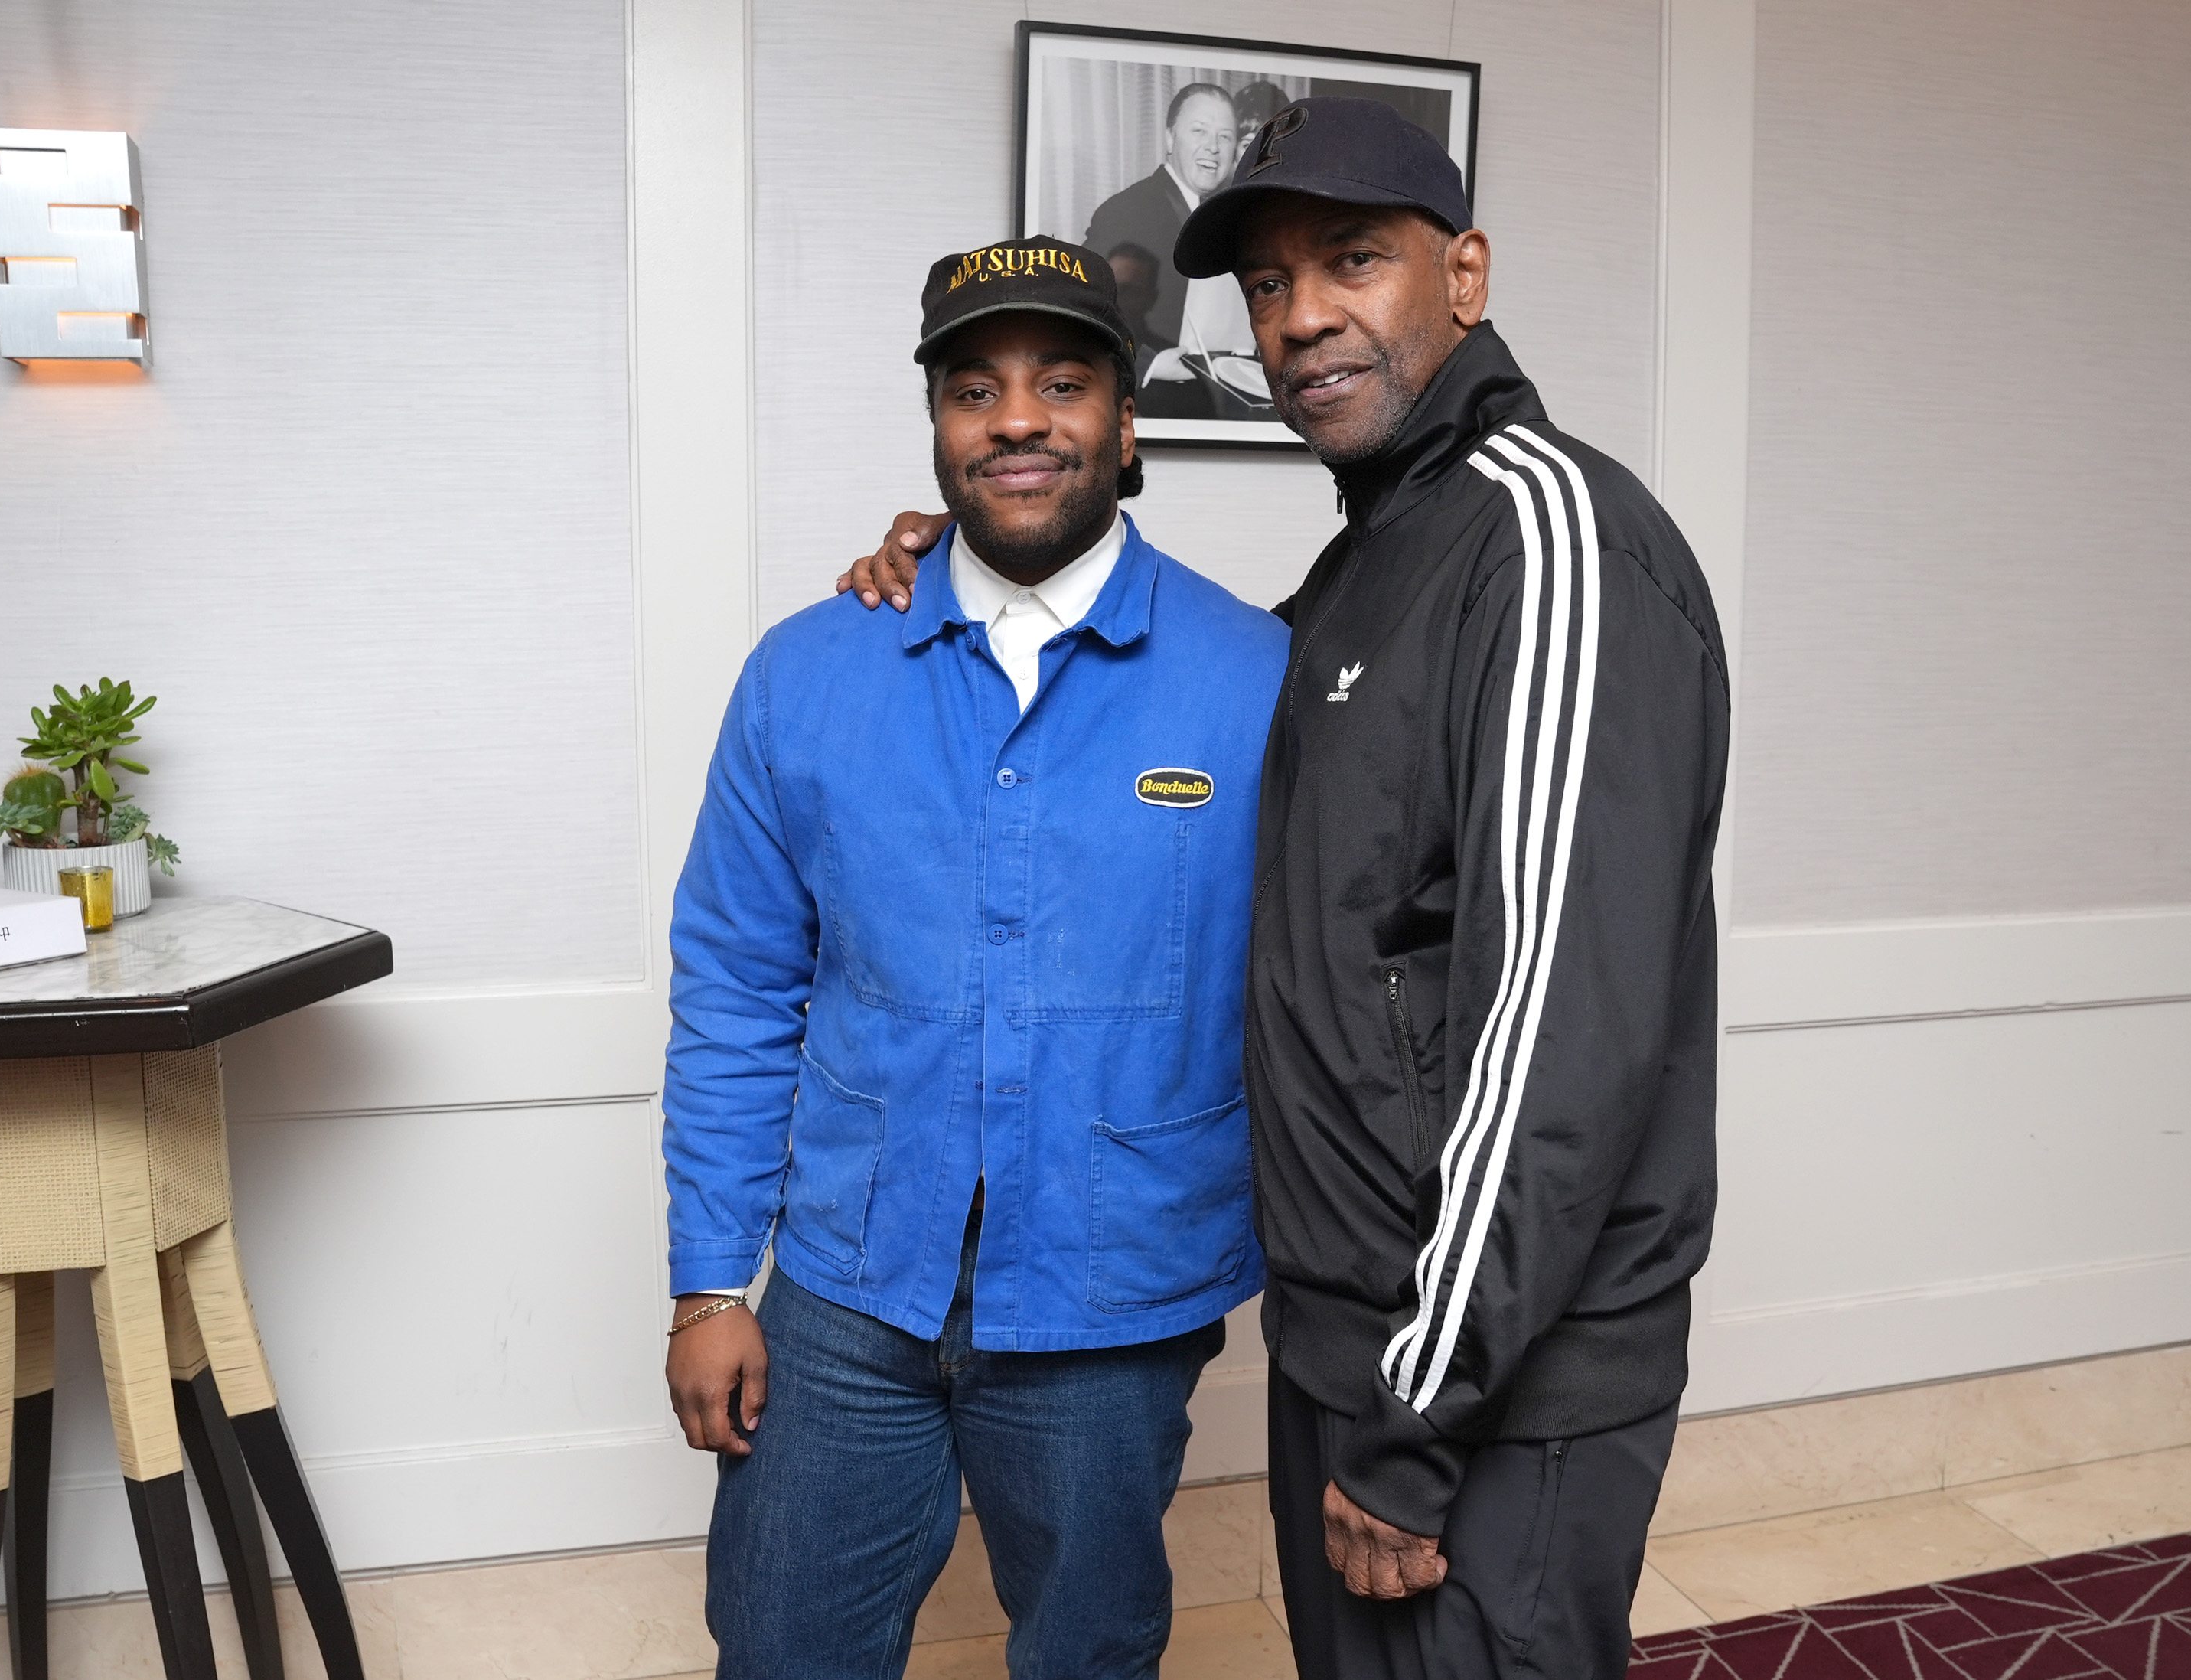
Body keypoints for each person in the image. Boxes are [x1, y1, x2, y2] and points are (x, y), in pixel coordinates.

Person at [839, 98, 1727, 1680]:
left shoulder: (1551, 536)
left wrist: (1411, 1417)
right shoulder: (1361, 570)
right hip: (1355, 1345)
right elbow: (1176, 702)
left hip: (1481, 1385)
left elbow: (1552, 1040)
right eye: (1261, 283)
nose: (1297, 314)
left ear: (1460, 273)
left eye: (1350, 260)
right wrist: (975, 564)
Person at [662, 235, 1289, 1678]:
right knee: (780, 1643)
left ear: (1126, 425)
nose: (1016, 419)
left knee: (1089, 1649)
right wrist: (709, 1284)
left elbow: (1308, 999)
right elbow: (741, 992)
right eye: (974, 390)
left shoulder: (1253, 675)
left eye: (1063, 383)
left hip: (1113, 1291)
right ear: (940, 428)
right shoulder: (809, 672)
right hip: (844, 1284)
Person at [1084, 80, 1237, 419]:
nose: (1213, 147)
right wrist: (1149, 365)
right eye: (1199, 131)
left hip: (1218, 398)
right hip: (1148, 405)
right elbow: (1085, 309)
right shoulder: (1124, 210)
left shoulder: (1232, 218)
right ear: (1170, 139)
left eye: (1225, 136)